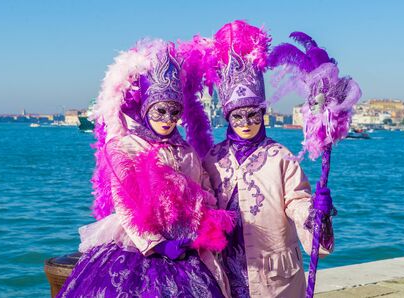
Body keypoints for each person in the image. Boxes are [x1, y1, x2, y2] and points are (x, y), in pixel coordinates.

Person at [57, 39, 233, 298]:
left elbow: (205, 190)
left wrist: (200, 224)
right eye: (160, 111)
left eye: (174, 112)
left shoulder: (186, 151)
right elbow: (126, 202)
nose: (168, 119)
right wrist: (157, 245)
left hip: (186, 246)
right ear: (146, 109)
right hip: (139, 248)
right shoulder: (126, 146)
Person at [202, 20, 334, 298]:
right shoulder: (213, 157)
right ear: (228, 118)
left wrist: (314, 213)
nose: (246, 122)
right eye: (238, 116)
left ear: (262, 115)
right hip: (225, 270)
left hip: (274, 277)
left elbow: (296, 202)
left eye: (253, 114)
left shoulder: (280, 157)